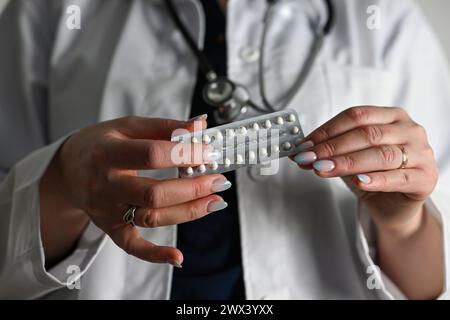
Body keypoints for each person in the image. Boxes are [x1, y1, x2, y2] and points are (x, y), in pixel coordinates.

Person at [0, 0, 449, 300]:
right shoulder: (50, 11)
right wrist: (61, 181)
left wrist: (403, 222)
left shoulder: (385, 16)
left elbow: (435, 283)